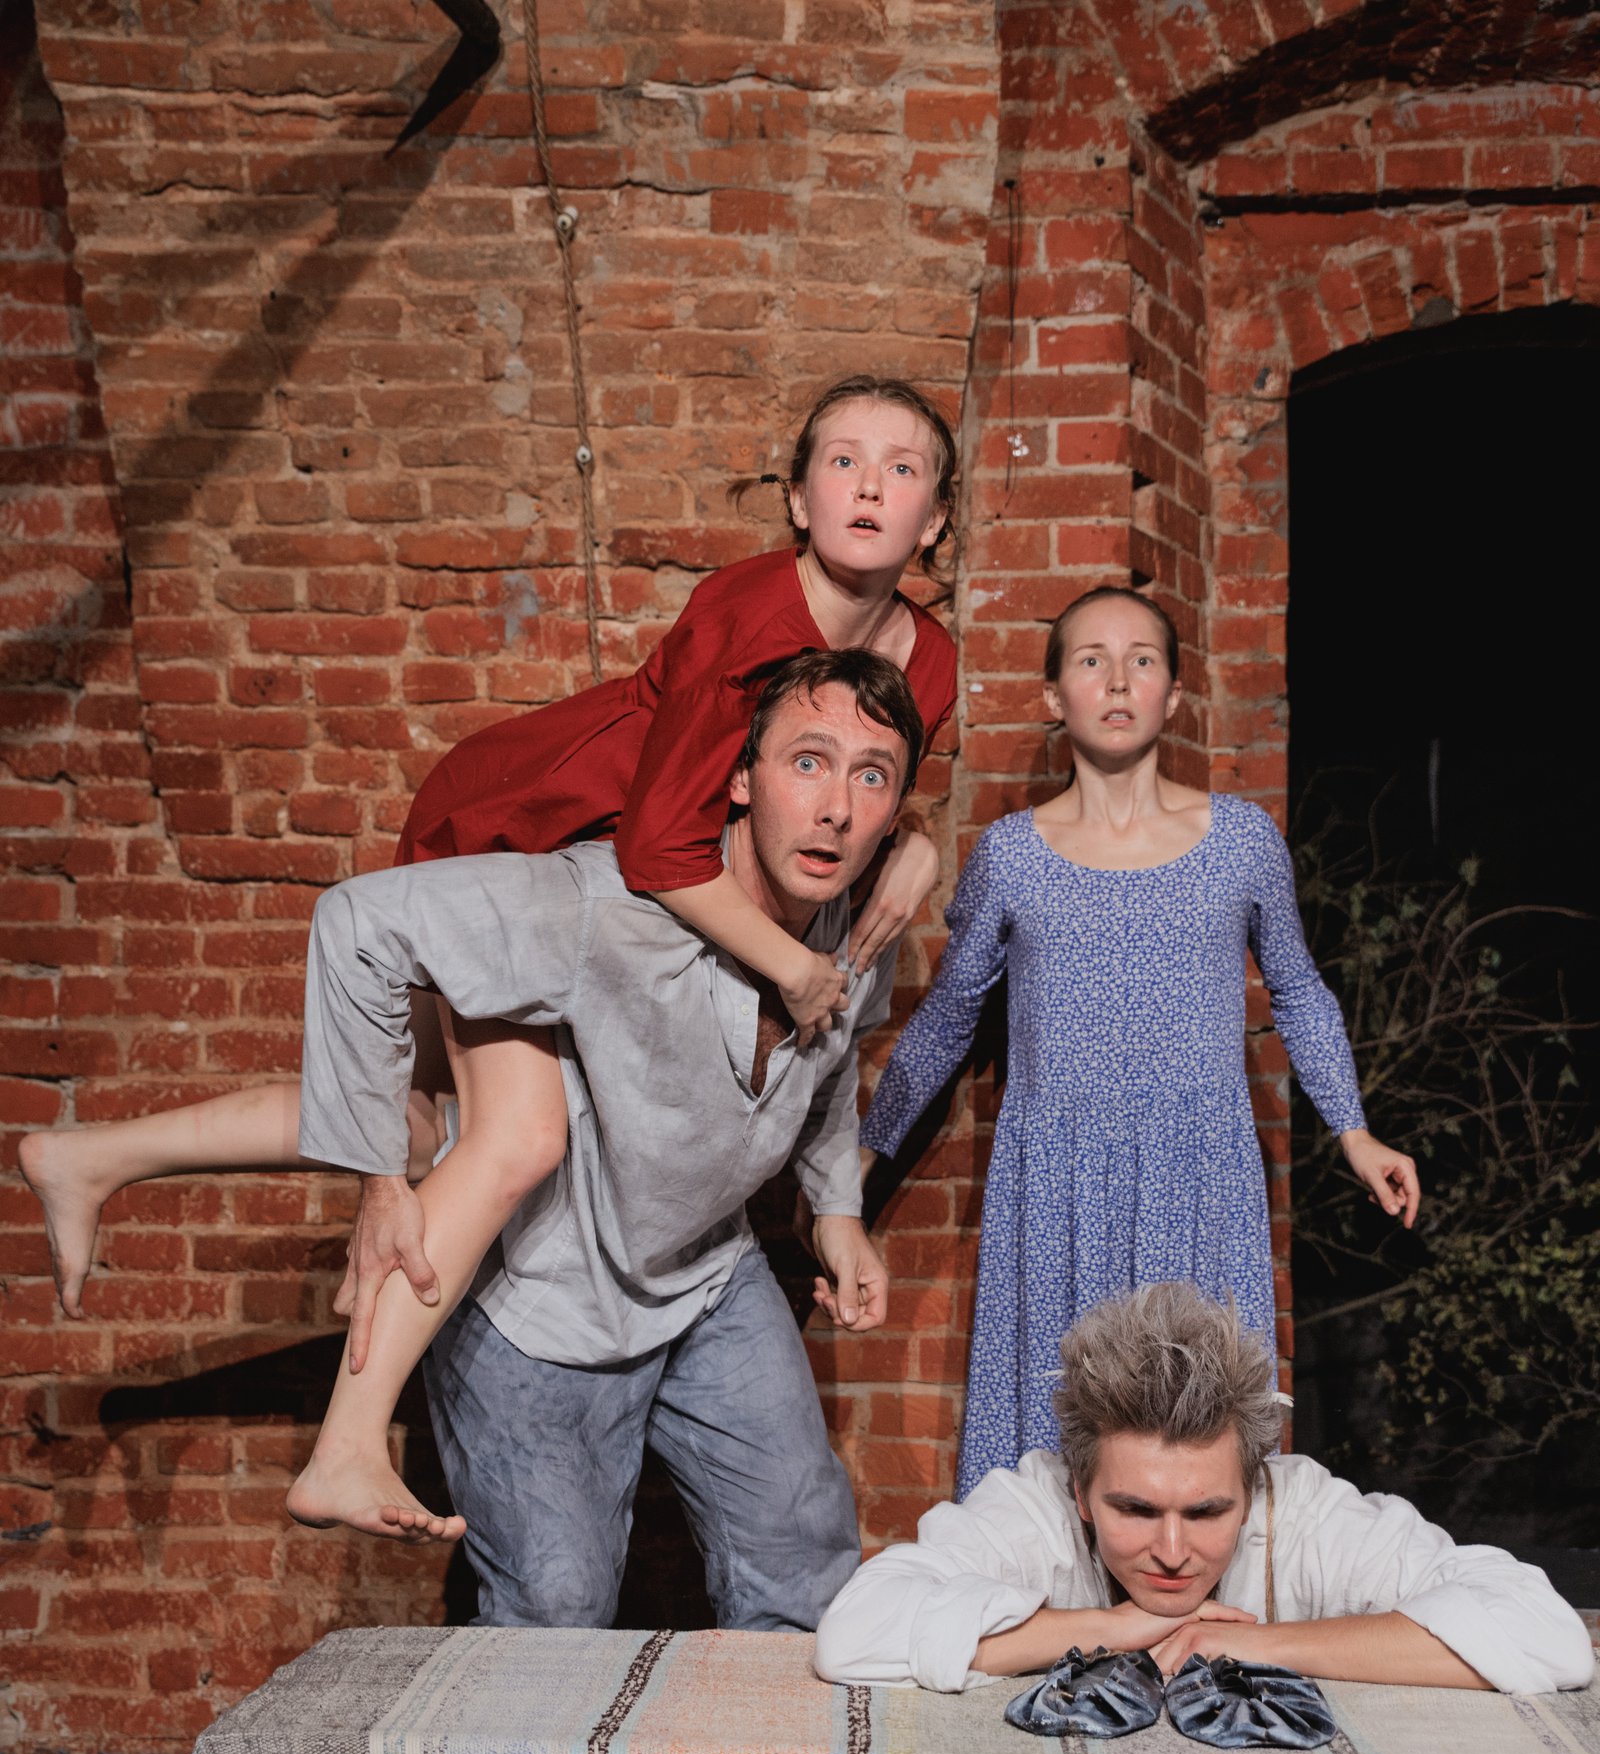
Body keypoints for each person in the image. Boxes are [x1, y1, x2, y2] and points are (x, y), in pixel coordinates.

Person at [19, 375, 959, 1543]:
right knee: (515, 1138)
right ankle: (345, 1449)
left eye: (901, 469)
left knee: (425, 1124)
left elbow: (876, 784)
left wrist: (920, 842)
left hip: (622, 866)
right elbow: (659, 849)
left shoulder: (928, 658)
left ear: (933, 519)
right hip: (528, 830)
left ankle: (94, 1154)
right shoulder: (743, 612)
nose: (869, 485)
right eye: (842, 461)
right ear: (795, 499)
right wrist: (798, 971)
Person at [297, 648, 920, 1630]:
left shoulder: (862, 926)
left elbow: (835, 1067)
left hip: (707, 1275)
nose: (837, 807)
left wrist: (836, 1210)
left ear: (895, 812)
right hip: (545, 1297)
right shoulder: (603, 908)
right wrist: (380, 1178)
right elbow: (357, 925)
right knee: (556, 1611)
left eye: (870, 775)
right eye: (808, 762)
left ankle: (776, 1746)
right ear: (739, 778)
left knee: (805, 1572)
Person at [859, 584, 1419, 1498]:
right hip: (1058, 1189)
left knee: (1196, 1453)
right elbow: (951, 1015)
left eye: (1142, 660)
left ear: (1174, 695)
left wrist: (1355, 1133)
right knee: (1051, 1462)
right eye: (1092, 660)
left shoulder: (1241, 842)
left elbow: (1298, 989)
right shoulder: (1011, 855)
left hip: (1197, 1179)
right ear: (1054, 695)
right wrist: (861, 1157)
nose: (1118, 680)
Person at [814, 1281, 1593, 1695]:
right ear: (1080, 1491)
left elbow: (1549, 1636)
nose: (1172, 1551)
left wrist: (1250, 1643)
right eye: (1134, 1508)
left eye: (1208, 1511)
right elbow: (853, 1634)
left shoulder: (1306, 1509)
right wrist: (1112, 1628)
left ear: (1253, 1490)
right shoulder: (1032, 1505)